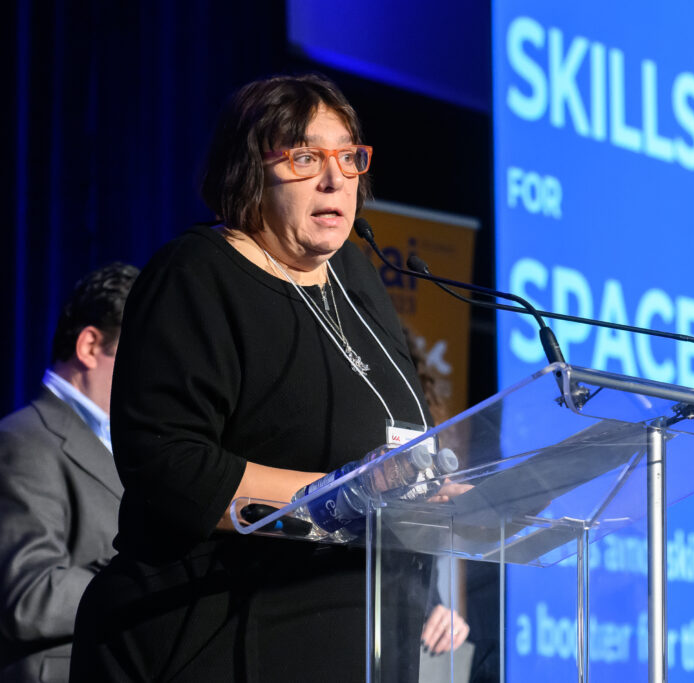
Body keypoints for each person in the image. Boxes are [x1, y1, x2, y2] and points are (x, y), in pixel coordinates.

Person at [70, 74, 460, 682]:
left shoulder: (356, 278)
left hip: (359, 640)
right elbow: (172, 470)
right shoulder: (196, 275)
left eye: (348, 158)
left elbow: (399, 436)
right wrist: (348, 493)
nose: (335, 179)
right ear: (248, 171)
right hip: (208, 638)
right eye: (305, 157)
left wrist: (423, 488)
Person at [0, 262, 138, 682]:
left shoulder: (135, 447)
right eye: (142, 355)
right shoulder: (23, 439)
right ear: (90, 346)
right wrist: (147, 578)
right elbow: (28, 596)